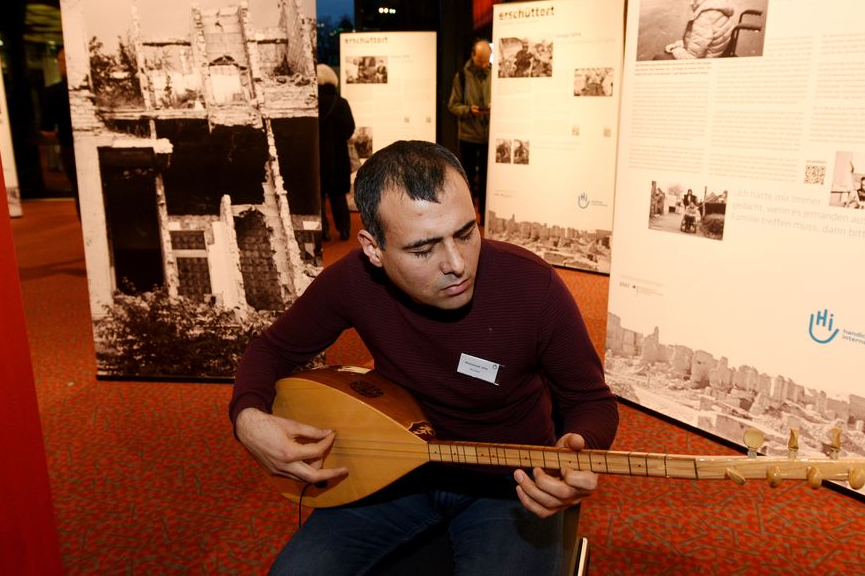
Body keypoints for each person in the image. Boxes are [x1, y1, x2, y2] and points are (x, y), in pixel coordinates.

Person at [229, 140, 618, 575]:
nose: (457, 264)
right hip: (395, 470)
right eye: (422, 249)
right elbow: (273, 349)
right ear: (373, 249)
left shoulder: (533, 288)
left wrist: (578, 453)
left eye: (466, 232)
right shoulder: (352, 281)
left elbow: (592, 402)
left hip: (509, 484)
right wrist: (248, 418)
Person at [447, 39, 492, 221]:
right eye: (481, 60)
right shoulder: (462, 76)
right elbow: (452, 105)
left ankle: (485, 213)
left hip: (489, 135)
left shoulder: (494, 74)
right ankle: (468, 215)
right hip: (468, 135)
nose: (484, 64)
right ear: (473, 56)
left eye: (487, 60)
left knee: (488, 178)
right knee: (467, 176)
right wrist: (468, 110)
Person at [316, 64, 355, 241]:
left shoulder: (313, 103)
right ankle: (344, 229)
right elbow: (349, 128)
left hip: (317, 157)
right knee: (338, 196)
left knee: (319, 197)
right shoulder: (341, 103)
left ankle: (323, 231)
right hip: (338, 156)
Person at [40, 48, 78, 214]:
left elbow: (47, 130)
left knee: (80, 191)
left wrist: (61, 135)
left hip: (70, 147)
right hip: (76, 147)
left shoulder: (53, 93)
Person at [660, 0, 734, 59]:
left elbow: (691, 59)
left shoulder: (705, 17)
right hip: (716, 54)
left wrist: (676, 49)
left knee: (658, 57)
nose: (691, 3)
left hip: (706, 64)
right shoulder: (718, 7)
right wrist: (679, 44)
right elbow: (700, 42)